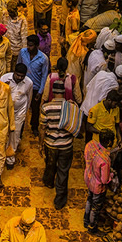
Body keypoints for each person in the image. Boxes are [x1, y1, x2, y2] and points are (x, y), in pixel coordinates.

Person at [38, 57, 78, 209]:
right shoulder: (71, 107)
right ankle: (59, 200)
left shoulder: (47, 108)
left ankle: (48, 181)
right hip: (66, 145)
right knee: (63, 171)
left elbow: (42, 128)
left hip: (51, 143)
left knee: (50, 163)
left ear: (53, 92)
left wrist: (40, 144)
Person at [1, 63, 33, 168]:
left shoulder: (28, 83)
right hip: (5, 111)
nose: (19, 78)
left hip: (19, 112)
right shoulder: (5, 78)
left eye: (22, 76)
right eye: (17, 75)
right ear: (14, 72)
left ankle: (10, 158)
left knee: (15, 134)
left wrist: (25, 113)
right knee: (3, 132)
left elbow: (29, 98)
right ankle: (1, 155)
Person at [17, 35, 49, 137]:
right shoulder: (22, 53)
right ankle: (20, 128)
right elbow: (18, 66)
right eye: (28, 45)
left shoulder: (43, 58)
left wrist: (40, 91)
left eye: (31, 45)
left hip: (35, 87)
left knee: (35, 109)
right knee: (21, 108)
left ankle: (34, 126)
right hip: (23, 85)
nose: (28, 48)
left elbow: (44, 75)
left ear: (36, 46)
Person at [83, 129, 114, 232]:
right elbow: (104, 180)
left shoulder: (92, 145)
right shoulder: (105, 160)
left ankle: (85, 220)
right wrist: (112, 175)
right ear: (109, 142)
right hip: (97, 186)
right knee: (95, 208)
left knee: (89, 200)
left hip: (89, 179)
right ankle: (92, 227)